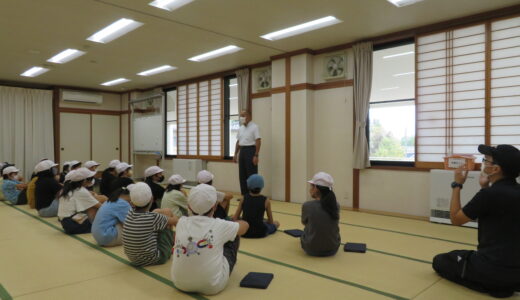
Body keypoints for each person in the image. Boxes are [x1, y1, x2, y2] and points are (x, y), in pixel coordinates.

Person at [432, 144, 520, 298]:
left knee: (440, 261)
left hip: (492, 268)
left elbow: (456, 219)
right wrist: (485, 188)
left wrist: (457, 184)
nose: (482, 163)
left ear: (495, 169)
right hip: (516, 270)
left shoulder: (488, 195)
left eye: (486, 160)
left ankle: (492, 285)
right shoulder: (505, 191)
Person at [171, 184, 249, 295]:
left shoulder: (181, 222)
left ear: (189, 207)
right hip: (213, 285)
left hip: (179, 283)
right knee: (234, 234)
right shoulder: (219, 224)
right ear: (214, 207)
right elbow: (244, 226)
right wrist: (233, 223)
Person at [122, 182, 177, 267]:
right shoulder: (153, 218)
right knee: (168, 213)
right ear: (152, 199)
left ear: (131, 202)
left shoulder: (130, 212)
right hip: (155, 258)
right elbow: (175, 221)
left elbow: (152, 216)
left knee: (159, 212)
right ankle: (170, 248)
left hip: (134, 259)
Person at [301, 172, 340, 257]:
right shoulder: (336, 205)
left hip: (310, 249)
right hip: (333, 249)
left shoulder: (307, 205)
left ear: (316, 188)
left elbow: (304, 223)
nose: (310, 189)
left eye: (311, 186)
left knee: (306, 229)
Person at [57, 168, 105, 234]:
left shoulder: (68, 189)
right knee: (93, 207)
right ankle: (95, 226)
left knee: (94, 202)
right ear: (84, 180)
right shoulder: (81, 191)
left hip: (66, 223)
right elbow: (101, 206)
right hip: (73, 224)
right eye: (90, 179)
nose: (91, 181)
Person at [233, 110, 261, 196]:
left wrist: (256, 155)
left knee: (251, 175)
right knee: (242, 175)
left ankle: (253, 196)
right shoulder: (241, 128)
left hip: (251, 151)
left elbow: (258, 141)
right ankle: (244, 196)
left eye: (243, 115)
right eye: (240, 116)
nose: (242, 118)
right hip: (242, 151)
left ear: (249, 116)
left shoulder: (255, 127)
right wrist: (235, 154)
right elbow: (238, 142)